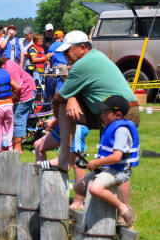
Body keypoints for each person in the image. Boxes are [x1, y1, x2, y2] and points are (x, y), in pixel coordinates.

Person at [42, 30, 140, 217]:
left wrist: (66, 100)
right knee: (116, 166)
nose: (65, 55)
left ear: (82, 48)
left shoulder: (82, 65)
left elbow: (59, 96)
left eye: (68, 51)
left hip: (120, 112)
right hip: (109, 111)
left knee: (119, 165)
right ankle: (119, 210)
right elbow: (73, 92)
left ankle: (124, 212)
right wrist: (70, 98)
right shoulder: (94, 58)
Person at [73, 95, 138, 227]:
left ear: (118, 114)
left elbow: (117, 157)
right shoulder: (110, 126)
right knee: (78, 187)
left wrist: (97, 163)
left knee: (95, 189)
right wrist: (93, 164)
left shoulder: (121, 131)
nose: (101, 115)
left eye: (105, 112)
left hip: (119, 171)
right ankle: (109, 201)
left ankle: (123, 208)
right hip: (107, 169)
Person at [34, 118, 89, 210]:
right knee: (38, 145)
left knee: (77, 163)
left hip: (76, 125)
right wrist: (55, 120)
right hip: (62, 124)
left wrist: (55, 120)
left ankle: (78, 202)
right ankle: (43, 190)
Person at [1, 56, 36, 154]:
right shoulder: (2, 68)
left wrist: (9, 101)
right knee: (12, 118)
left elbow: (17, 86)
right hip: (17, 94)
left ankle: (18, 148)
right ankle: (8, 143)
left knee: (17, 118)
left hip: (25, 92)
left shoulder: (9, 67)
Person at [28, 34, 52, 102]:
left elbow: (43, 57)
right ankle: (32, 104)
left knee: (40, 89)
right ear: (35, 41)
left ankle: (39, 104)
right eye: (40, 41)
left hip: (42, 71)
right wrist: (45, 58)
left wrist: (47, 61)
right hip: (36, 71)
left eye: (42, 40)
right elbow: (34, 60)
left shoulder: (41, 48)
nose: (42, 42)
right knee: (35, 88)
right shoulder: (32, 49)